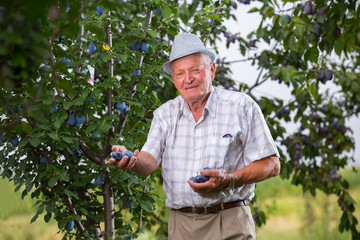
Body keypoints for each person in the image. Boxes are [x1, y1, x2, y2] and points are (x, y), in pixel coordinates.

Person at [109, 32, 280, 240]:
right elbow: (149, 162)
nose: (188, 79)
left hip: (230, 220)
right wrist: (132, 161)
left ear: (212, 70)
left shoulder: (241, 106)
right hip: (181, 226)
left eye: (195, 70)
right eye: (179, 73)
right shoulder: (164, 114)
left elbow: (271, 164)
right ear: (173, 79)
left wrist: (229, 180)